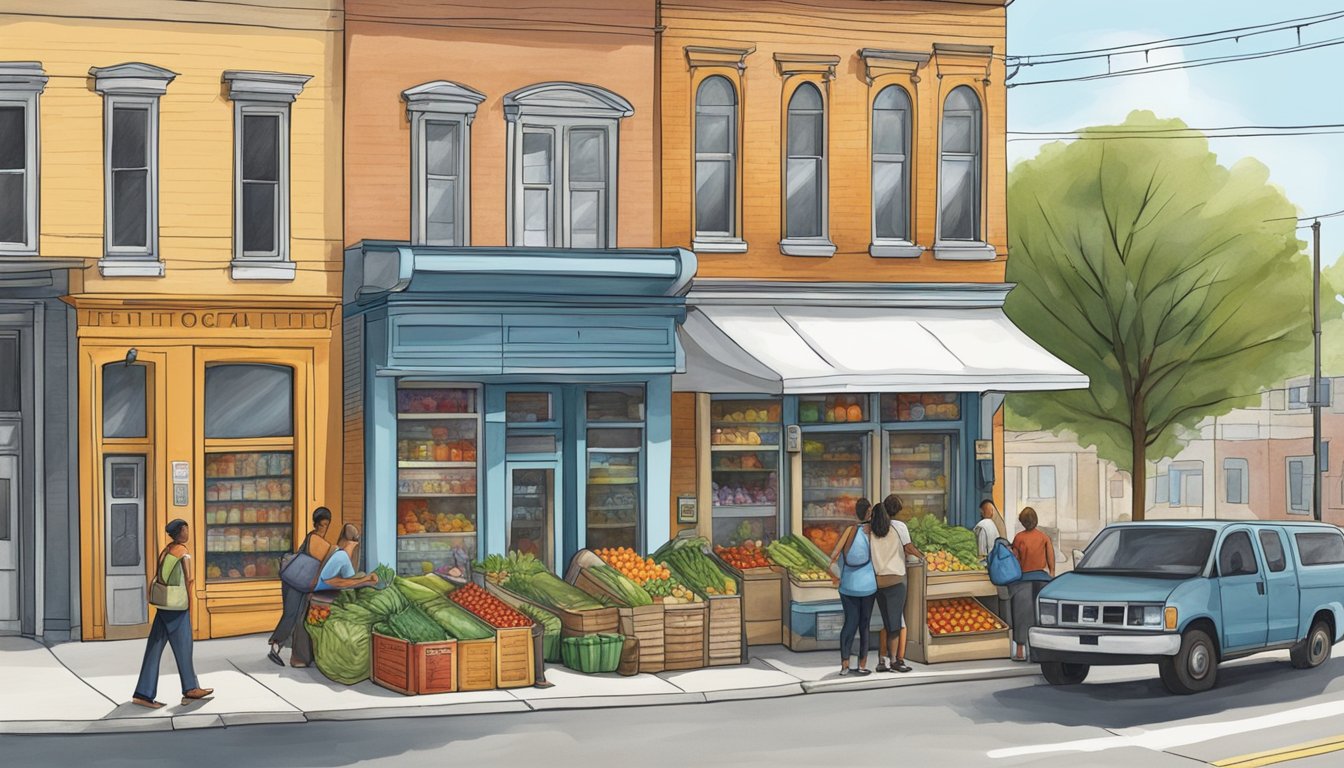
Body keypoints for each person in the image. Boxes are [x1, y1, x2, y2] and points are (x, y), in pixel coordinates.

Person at [132, 519, 214, 709]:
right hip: (177, 606)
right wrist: (191, 608)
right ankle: (191, 688)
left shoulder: (167, 550)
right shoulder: (184, 553)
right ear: (180, 532)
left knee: (154, 648)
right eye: (186, 529)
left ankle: (143, 693)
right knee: (184, 647)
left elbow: (160, 575)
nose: (188, 532)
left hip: (164, 605)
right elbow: (189, 581)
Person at [267, 507, 336, 668]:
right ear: (316, 524)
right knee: (292, 614)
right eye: (321, 525)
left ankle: (279, 645)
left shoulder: (314, 539)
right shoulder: (315, 539)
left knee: (296, 616)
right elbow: (326, 555)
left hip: (294, 580)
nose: (323, 528)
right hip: (297, 583)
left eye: (326, 525)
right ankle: (276, 644)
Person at [872, 494, 924, 673]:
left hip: (878, 580)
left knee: (885, 621)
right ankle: (895, 660)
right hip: (896, 578)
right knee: (896, 623)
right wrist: (923, 557)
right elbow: (908, 547)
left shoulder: (872, 528)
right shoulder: (899, 527)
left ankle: (881, 659)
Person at [828, 498, 878, 676]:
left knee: (849, 624)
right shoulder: (872, 532)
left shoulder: (849, 531)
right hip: (869, 586)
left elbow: (832, 557)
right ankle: (863, 665)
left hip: (847, 585)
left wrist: (835, 577)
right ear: (869, 513)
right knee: (864, 625)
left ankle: (844, 665)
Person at [1008, 506, 1055, 662]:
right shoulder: (1044, 537)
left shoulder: (1019, 538)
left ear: (1022, 522)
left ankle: (1020, 651)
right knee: (1040, 616)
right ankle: (1037, 651)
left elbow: (1015, 559)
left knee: (1021, 615)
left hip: (1023, 580)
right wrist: (1052, 573)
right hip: (1042, 580)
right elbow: (1050, 558)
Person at [315, 524, 381, 592]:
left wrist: (365, 580)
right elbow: (329, 581)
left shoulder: (339, 555)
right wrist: (365, 580)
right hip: (324, 585)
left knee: (361, 575)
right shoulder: (341, 556)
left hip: (329, 582)